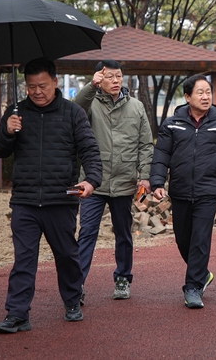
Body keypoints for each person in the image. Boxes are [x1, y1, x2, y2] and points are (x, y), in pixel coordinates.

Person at [0, 58, 102, 334]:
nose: (37, 91)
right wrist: (7, 131)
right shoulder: (16, 113)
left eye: (42, 85)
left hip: (61, 198)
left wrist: (91, 180)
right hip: (25, 201)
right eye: (30, 87)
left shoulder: (73, 113)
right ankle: (17, 314)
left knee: (66, 255)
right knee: (24, 259)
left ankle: (72, 300)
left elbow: (89, 149)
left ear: (55, 81)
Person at [150, 74, 216, 309]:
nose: (205, 96)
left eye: (208, 92)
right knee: (183, 239)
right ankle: (202, 273)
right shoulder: (172, 124)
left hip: (208, 190)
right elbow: (161, 156)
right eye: (200, 92)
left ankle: (192, 287)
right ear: (187, 96)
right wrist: (158, 183)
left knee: (200, 239)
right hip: (180, 190)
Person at [74, 60, 153, 303]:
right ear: (100, 78)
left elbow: (145, 145)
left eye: (119, 76)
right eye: (110, 76)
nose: (116, 80)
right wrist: (91, 86)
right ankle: (76, 285)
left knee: (123, 233)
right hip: (93, 182)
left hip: (125, 181)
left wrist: (145, 175)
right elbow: (72, 110)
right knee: (87, 232)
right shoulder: (90, 105)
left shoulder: (137, 107)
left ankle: (123, 278)